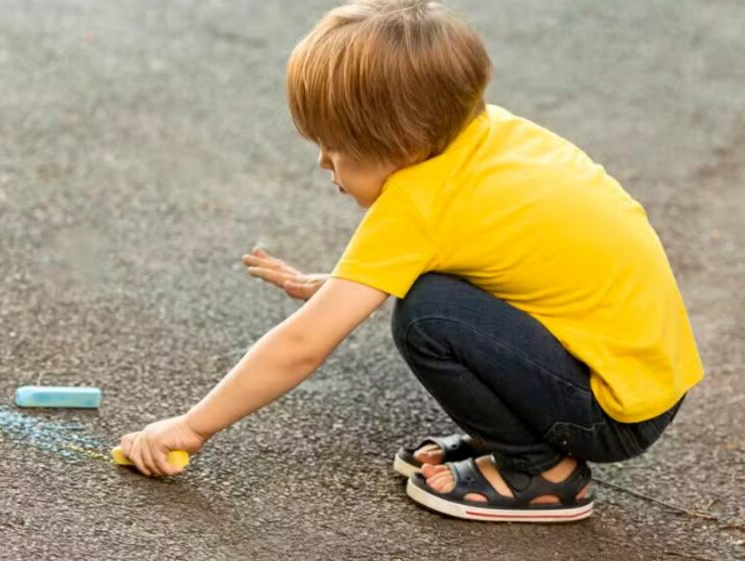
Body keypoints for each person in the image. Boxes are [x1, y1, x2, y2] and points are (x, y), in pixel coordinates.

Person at [117, 0, 703, 523]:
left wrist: (192, 427)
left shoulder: (418, 206)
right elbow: (511, 254)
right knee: (429, 292)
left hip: (609, 412)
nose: (324, 163)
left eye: (337, 149)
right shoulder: (489, 134)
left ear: (398, 149)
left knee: (425, 316)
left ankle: (542, 472)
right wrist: (342, 284)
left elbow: (302, 346)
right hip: (642, 375)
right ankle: (523, 438)